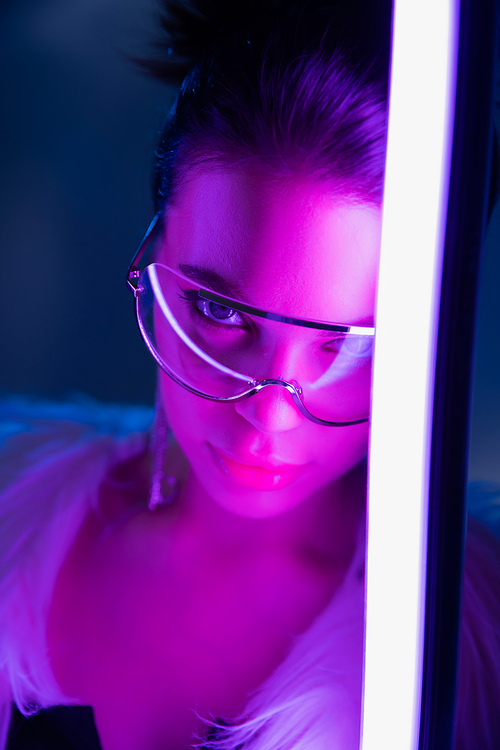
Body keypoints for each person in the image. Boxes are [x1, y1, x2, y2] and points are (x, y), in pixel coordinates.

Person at [1, 1, 499, 749]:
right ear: (155, 253)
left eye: (344, 347)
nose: (268, 416)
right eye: (218, 312)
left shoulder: (465, 650)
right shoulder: (12, 506)